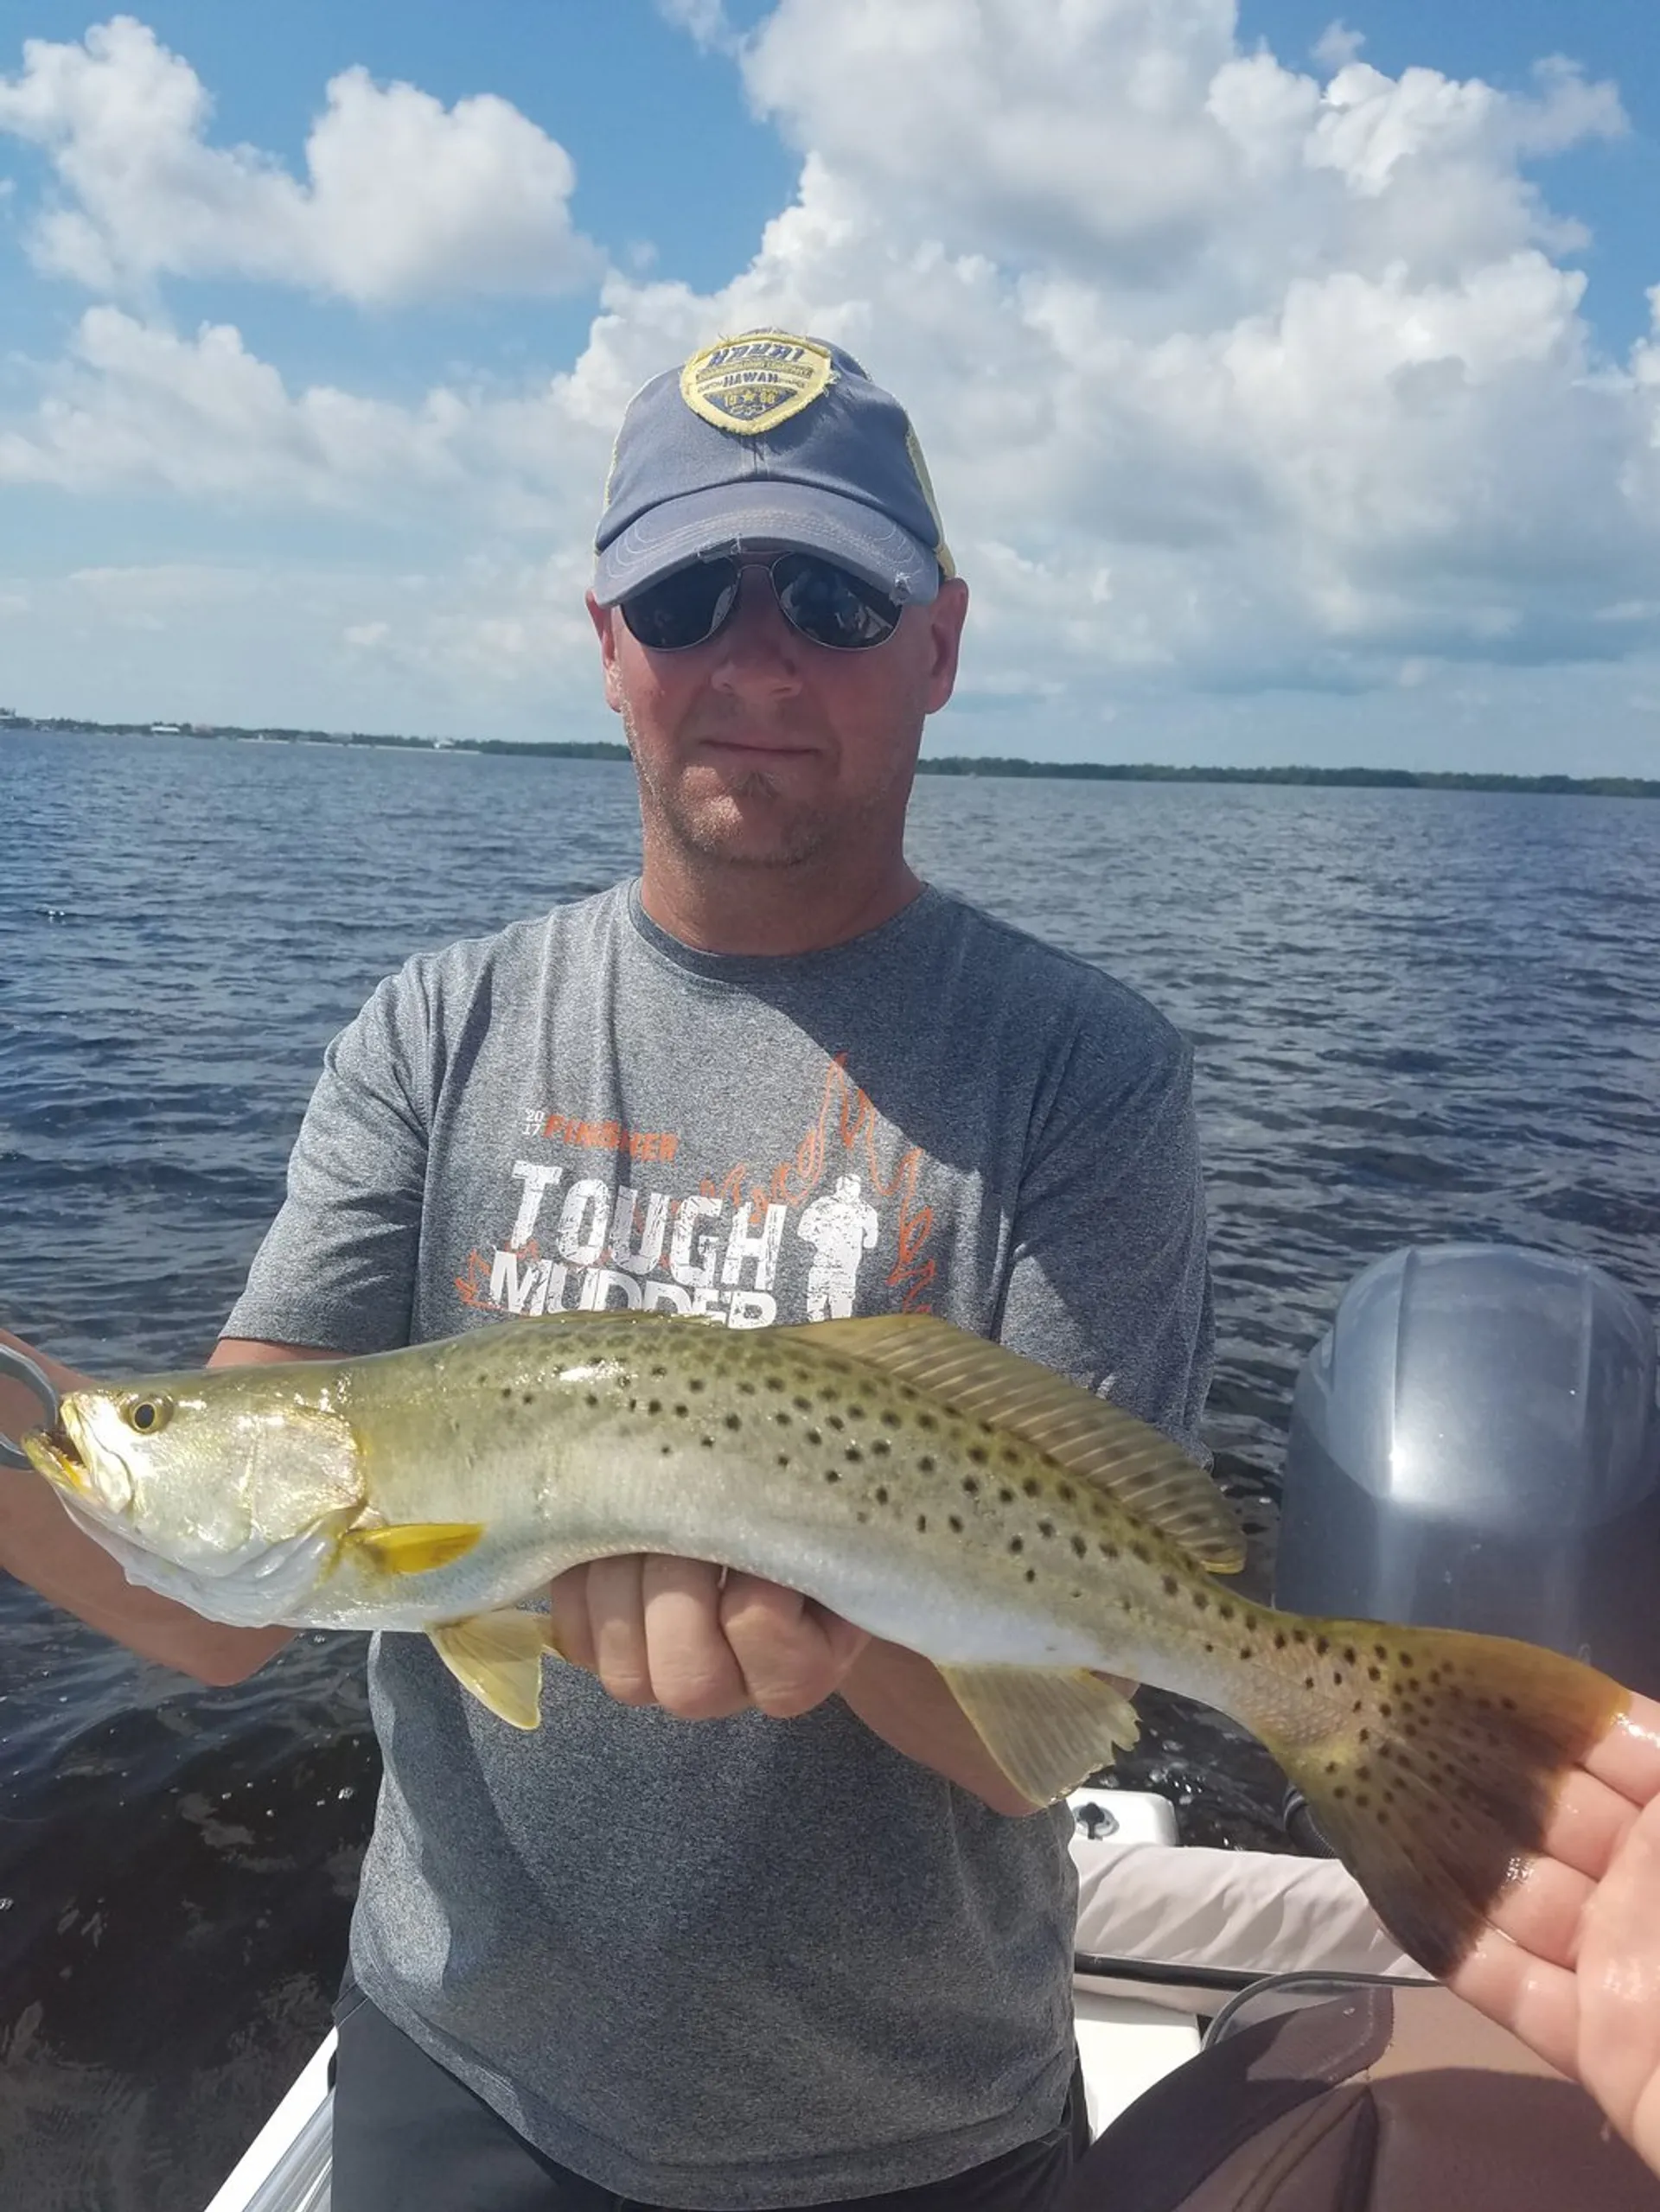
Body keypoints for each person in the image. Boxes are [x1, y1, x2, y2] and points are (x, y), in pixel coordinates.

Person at [0, 328, 1655, 2204]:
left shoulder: (1084, 1069)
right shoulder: (436, 1027)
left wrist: (825, 1618)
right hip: (460, 2077)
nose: (757, 659)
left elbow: (1033, 1749)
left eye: (837, 597)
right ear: (609, 637)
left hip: (917, 2134)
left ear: (940, 640)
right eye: (692, 591)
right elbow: (224, 1594)